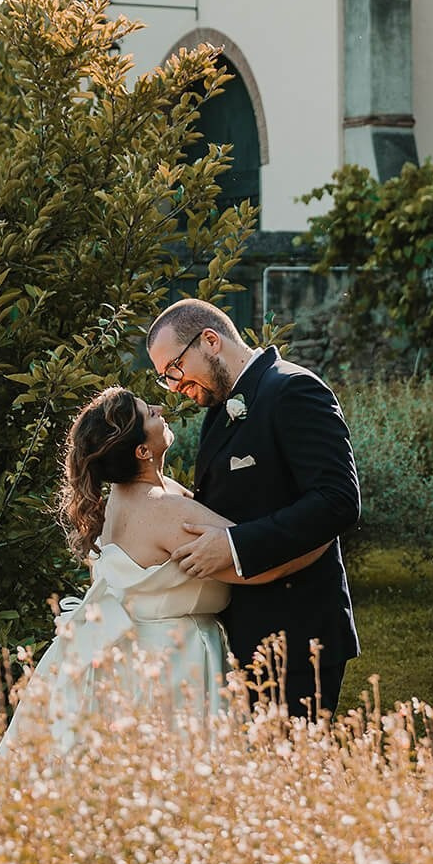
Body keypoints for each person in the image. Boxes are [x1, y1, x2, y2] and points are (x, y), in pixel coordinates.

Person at [0, 386, 325, 762]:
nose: (160, 408)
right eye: (149, 413)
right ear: (142, 451)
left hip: (136, 654)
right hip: (173, 664)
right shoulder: (163, 509)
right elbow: (262, 565)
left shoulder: (120, 496)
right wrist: (322, 534)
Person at [146, 298, 361, 719]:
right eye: (164, 379)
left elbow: (337, 500)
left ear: (210, 341)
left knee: (290, 773)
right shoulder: (218, 411)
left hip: (298, 635)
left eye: (174, 369)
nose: (173, 386)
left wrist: (234, 547)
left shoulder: (292, 390)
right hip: (243, 632)